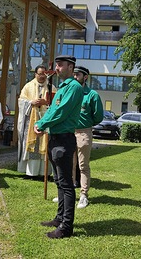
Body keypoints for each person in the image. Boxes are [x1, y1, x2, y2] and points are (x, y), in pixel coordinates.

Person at [34, 55, 83, 239]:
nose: (57, 67)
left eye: (60, 65)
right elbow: (53, 109)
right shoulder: (62, 87)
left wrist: (42, 124)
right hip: (55, 137)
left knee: (66, 184)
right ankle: (60, 218)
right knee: (59, 182)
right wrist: (43, 123)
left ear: (71, 67)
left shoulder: (74, 87)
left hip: (64, 139)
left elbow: (61, 112)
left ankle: (66, 227)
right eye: (57, 64)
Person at [17, 64, 56, 178]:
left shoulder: (51, 87)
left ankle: (45, 173)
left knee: (46, 145)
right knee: (33, 146)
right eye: (40, 74)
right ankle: (31, 173)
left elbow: (56, 103)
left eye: (44, 74)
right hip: (31, 121)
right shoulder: (28, 86)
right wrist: (31, 102)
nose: (42, 76)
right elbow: (21, 100)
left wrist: (46, 103)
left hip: (45, 120)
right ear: (35, 74)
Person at [73, 66, 103, 209]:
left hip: (83, 132)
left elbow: (98, 116)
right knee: (69, 165)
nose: (74, 77)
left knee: (83, 165)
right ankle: (67, 194)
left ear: (85, 77)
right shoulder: (70, 92)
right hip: (68, 131)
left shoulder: (92, 95)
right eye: (73, 74)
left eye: (77, 74)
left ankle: (83, 195)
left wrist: (87, 124)